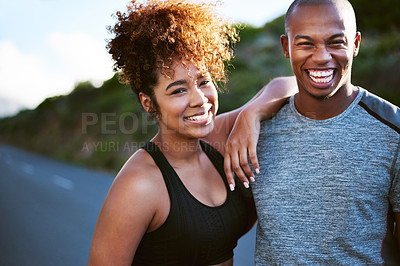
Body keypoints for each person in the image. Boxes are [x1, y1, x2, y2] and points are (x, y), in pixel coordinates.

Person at [88, 0, 297, 265]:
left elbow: (288, 85)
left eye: (204, 81)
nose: (200, 99)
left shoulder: (220, 137)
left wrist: (251, 114)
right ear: (148, 102)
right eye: (178, 90)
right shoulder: (139, 184)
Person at [224, 0, 400, 264]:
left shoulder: (393, 131)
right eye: (306, 43)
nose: (321, 57)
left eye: (335, 42)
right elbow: (219, 232)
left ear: (355, 44)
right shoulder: (257, 133)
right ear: (286, 47)